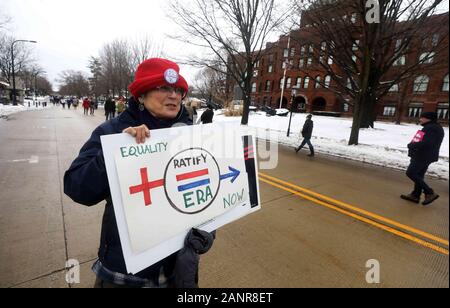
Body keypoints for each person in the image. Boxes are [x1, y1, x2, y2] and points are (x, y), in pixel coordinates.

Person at [64, 58, 214, 288]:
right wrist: (118, 151)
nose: (174, 95)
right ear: (141, 96)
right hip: (125, 274)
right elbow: (77, 187)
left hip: (177, 272)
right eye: (163, 88)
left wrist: (207, 231)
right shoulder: (113, 132)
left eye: (178, 90)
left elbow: (208, 192)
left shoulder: (192, 136)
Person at [401, 112, 444, 206]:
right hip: (427, 155)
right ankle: (415, 195)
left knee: (411, 173)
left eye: (422, 117)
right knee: (419, 175)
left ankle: (429, 192)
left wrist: (411, 145)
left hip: (423, 156)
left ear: (429, 119)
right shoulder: (434, 127)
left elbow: (427, 143)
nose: (420, 119)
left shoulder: (431, 128)